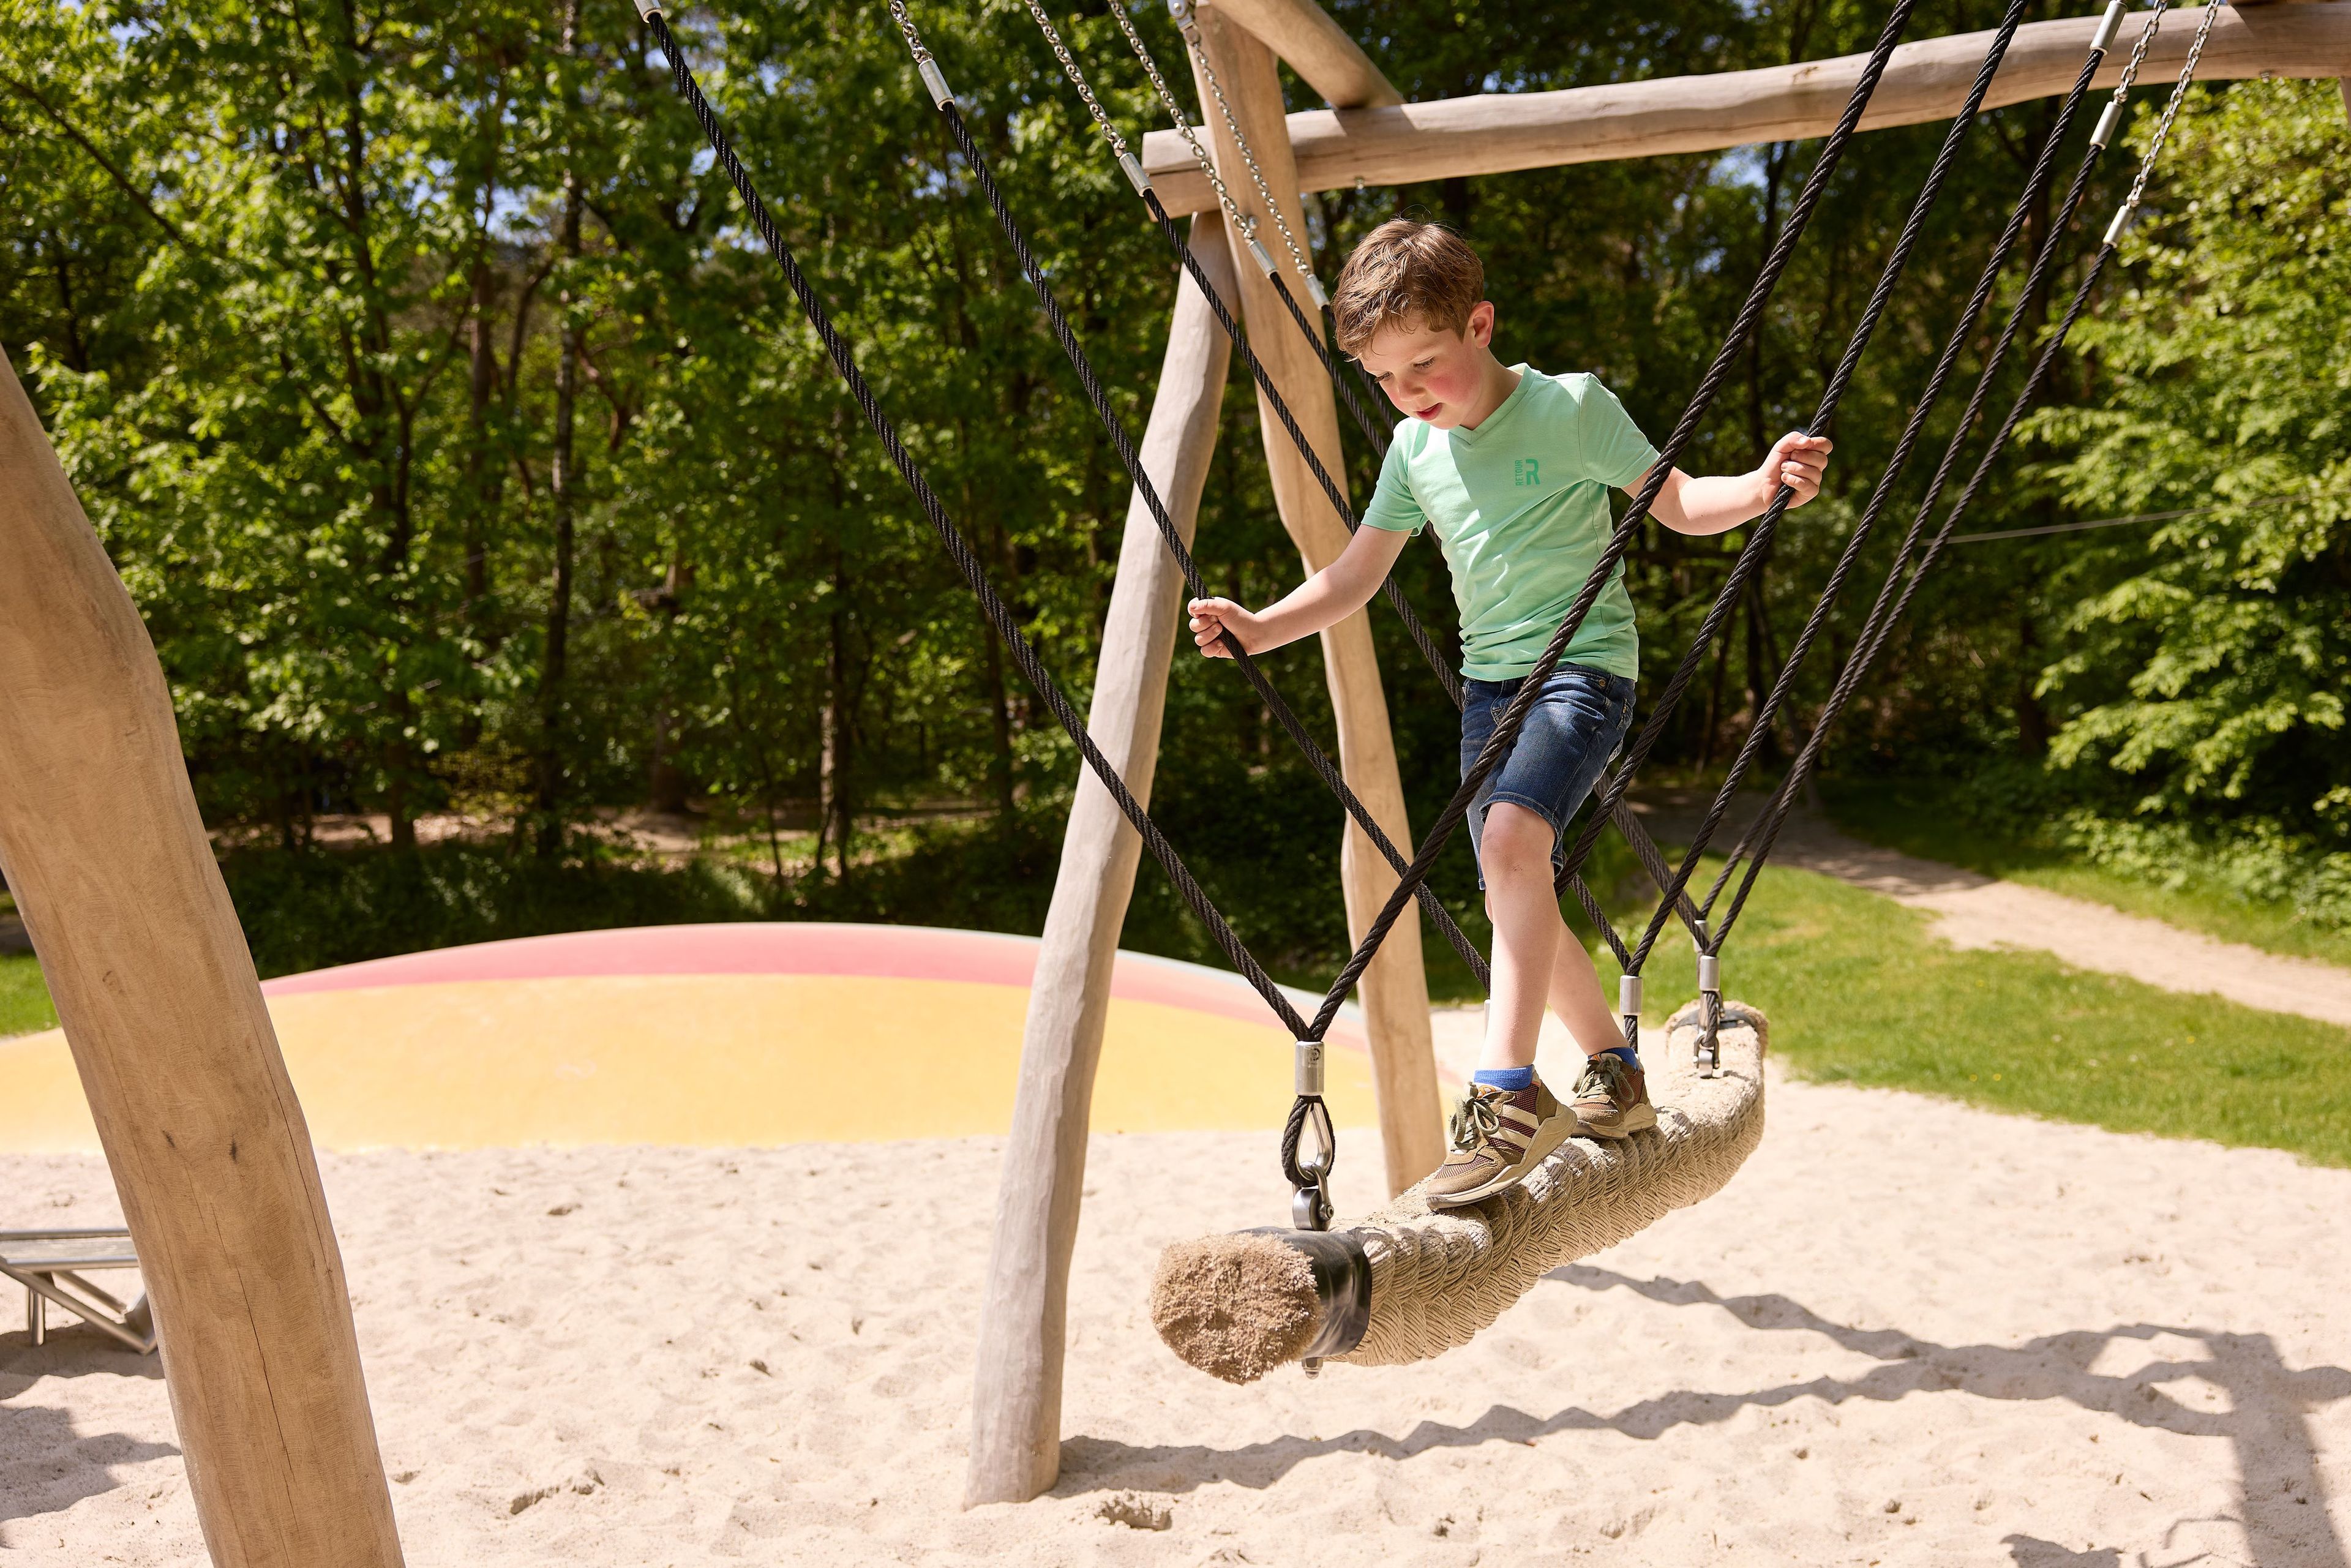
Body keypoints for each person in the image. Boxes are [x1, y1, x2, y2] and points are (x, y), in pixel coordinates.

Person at [1187, 219, 1830, 1207]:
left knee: (1513, 847)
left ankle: (1505, 1097)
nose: (1411, 394)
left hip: (1585, 668)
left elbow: (1681, 501)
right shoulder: (1413, 449)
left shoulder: (1570, 407)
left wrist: (1761, 484)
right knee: (1510, 884)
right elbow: (1357, 575)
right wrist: (1260, 626)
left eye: (1427, 366)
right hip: (1490, 691)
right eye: (1387, 380)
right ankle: (1613, 1070)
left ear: (1479, 324)